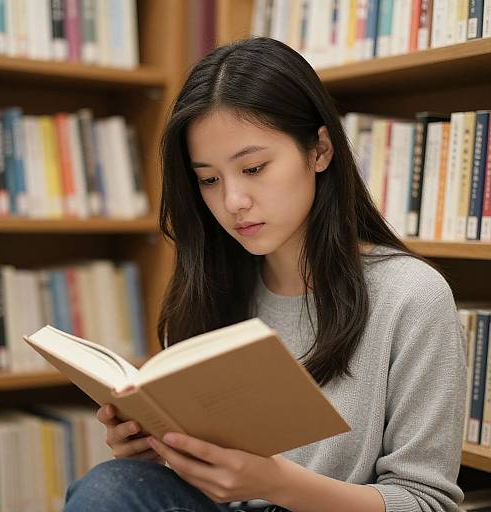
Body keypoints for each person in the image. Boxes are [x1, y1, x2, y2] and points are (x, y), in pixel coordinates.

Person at [64, 37, 466, 512]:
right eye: (209, 179)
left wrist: (276, 483)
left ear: (319, 150)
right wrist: (158, 453)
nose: (233, 201)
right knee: (114, 483)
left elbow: (426, 502)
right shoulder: (212, 289)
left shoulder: (410, 296)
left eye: (253, 167)